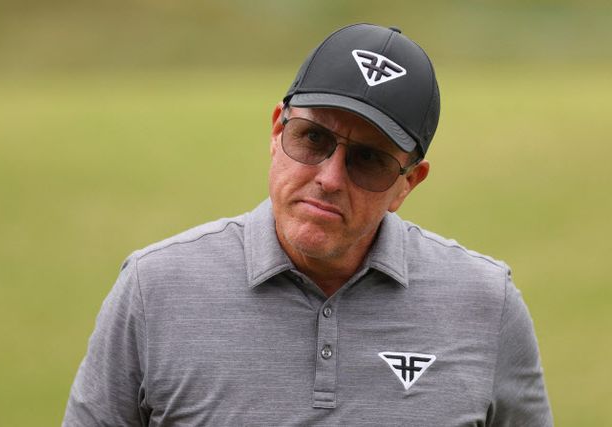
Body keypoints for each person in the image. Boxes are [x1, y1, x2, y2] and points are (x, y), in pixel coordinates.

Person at [63, 23, 552, 426]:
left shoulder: (487, 305)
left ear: (408, 184)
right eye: (312, 138)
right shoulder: (153, 289)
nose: (329, 178)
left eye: (369, 160)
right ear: (277, 130)